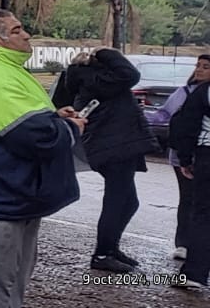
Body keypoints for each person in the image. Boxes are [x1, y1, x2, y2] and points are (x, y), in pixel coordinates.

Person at [0, 9, 83, 308]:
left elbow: (17, 116)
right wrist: (70, 128)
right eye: (17, 30)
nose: (26, 35)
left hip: (9, 191)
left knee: (13, 276)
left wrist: (53, 116)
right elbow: (37, 136)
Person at [51, 48, 155, 273]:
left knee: (129, 201)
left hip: (111, 144)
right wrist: (107, 52)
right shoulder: (100, 79)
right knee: (117, 201)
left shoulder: (85, 79)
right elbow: (131, 74)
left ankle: (110, 248)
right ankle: (103, 254)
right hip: (115, 145)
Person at [160, 55, 210, 261]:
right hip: (184, 154)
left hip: (201, 153)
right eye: (198, 65)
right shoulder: (184, 92)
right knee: (188, 198)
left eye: (205, 67)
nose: (199, 70)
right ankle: (183, 243)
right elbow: (164, 114)